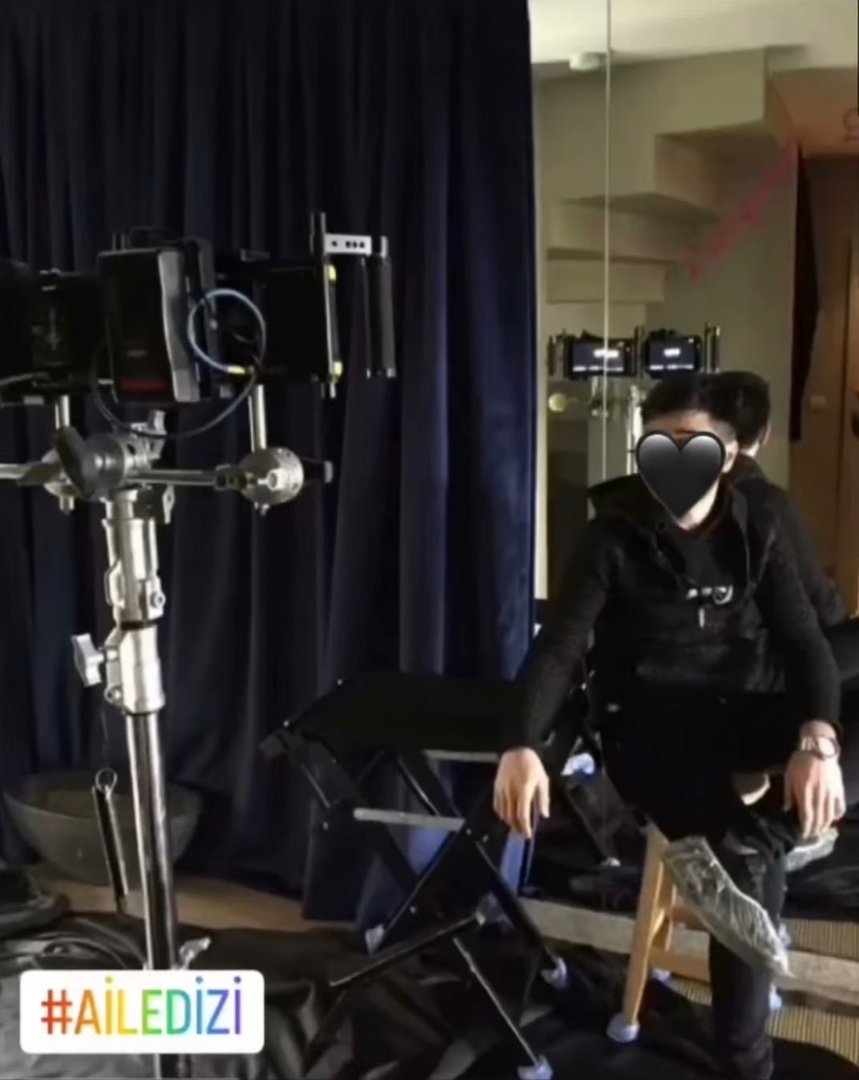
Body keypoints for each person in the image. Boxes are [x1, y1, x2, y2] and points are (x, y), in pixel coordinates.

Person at [493, 373, 846, 1080]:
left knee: (750, 848)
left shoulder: (758, 524)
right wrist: (522, 744)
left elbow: (806, 640)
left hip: (743, 708)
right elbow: (559, 647)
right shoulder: (611, 536)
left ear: (729, 454)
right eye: (659, 445)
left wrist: (817, 740)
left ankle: (769, 835)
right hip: (648, 728)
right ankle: (745, 1065)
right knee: (744, 875)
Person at [712, 369, 859, 811]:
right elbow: (818, 610)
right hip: (754, 669)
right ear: (766, 433)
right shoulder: (764, 504)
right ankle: (799, 822)